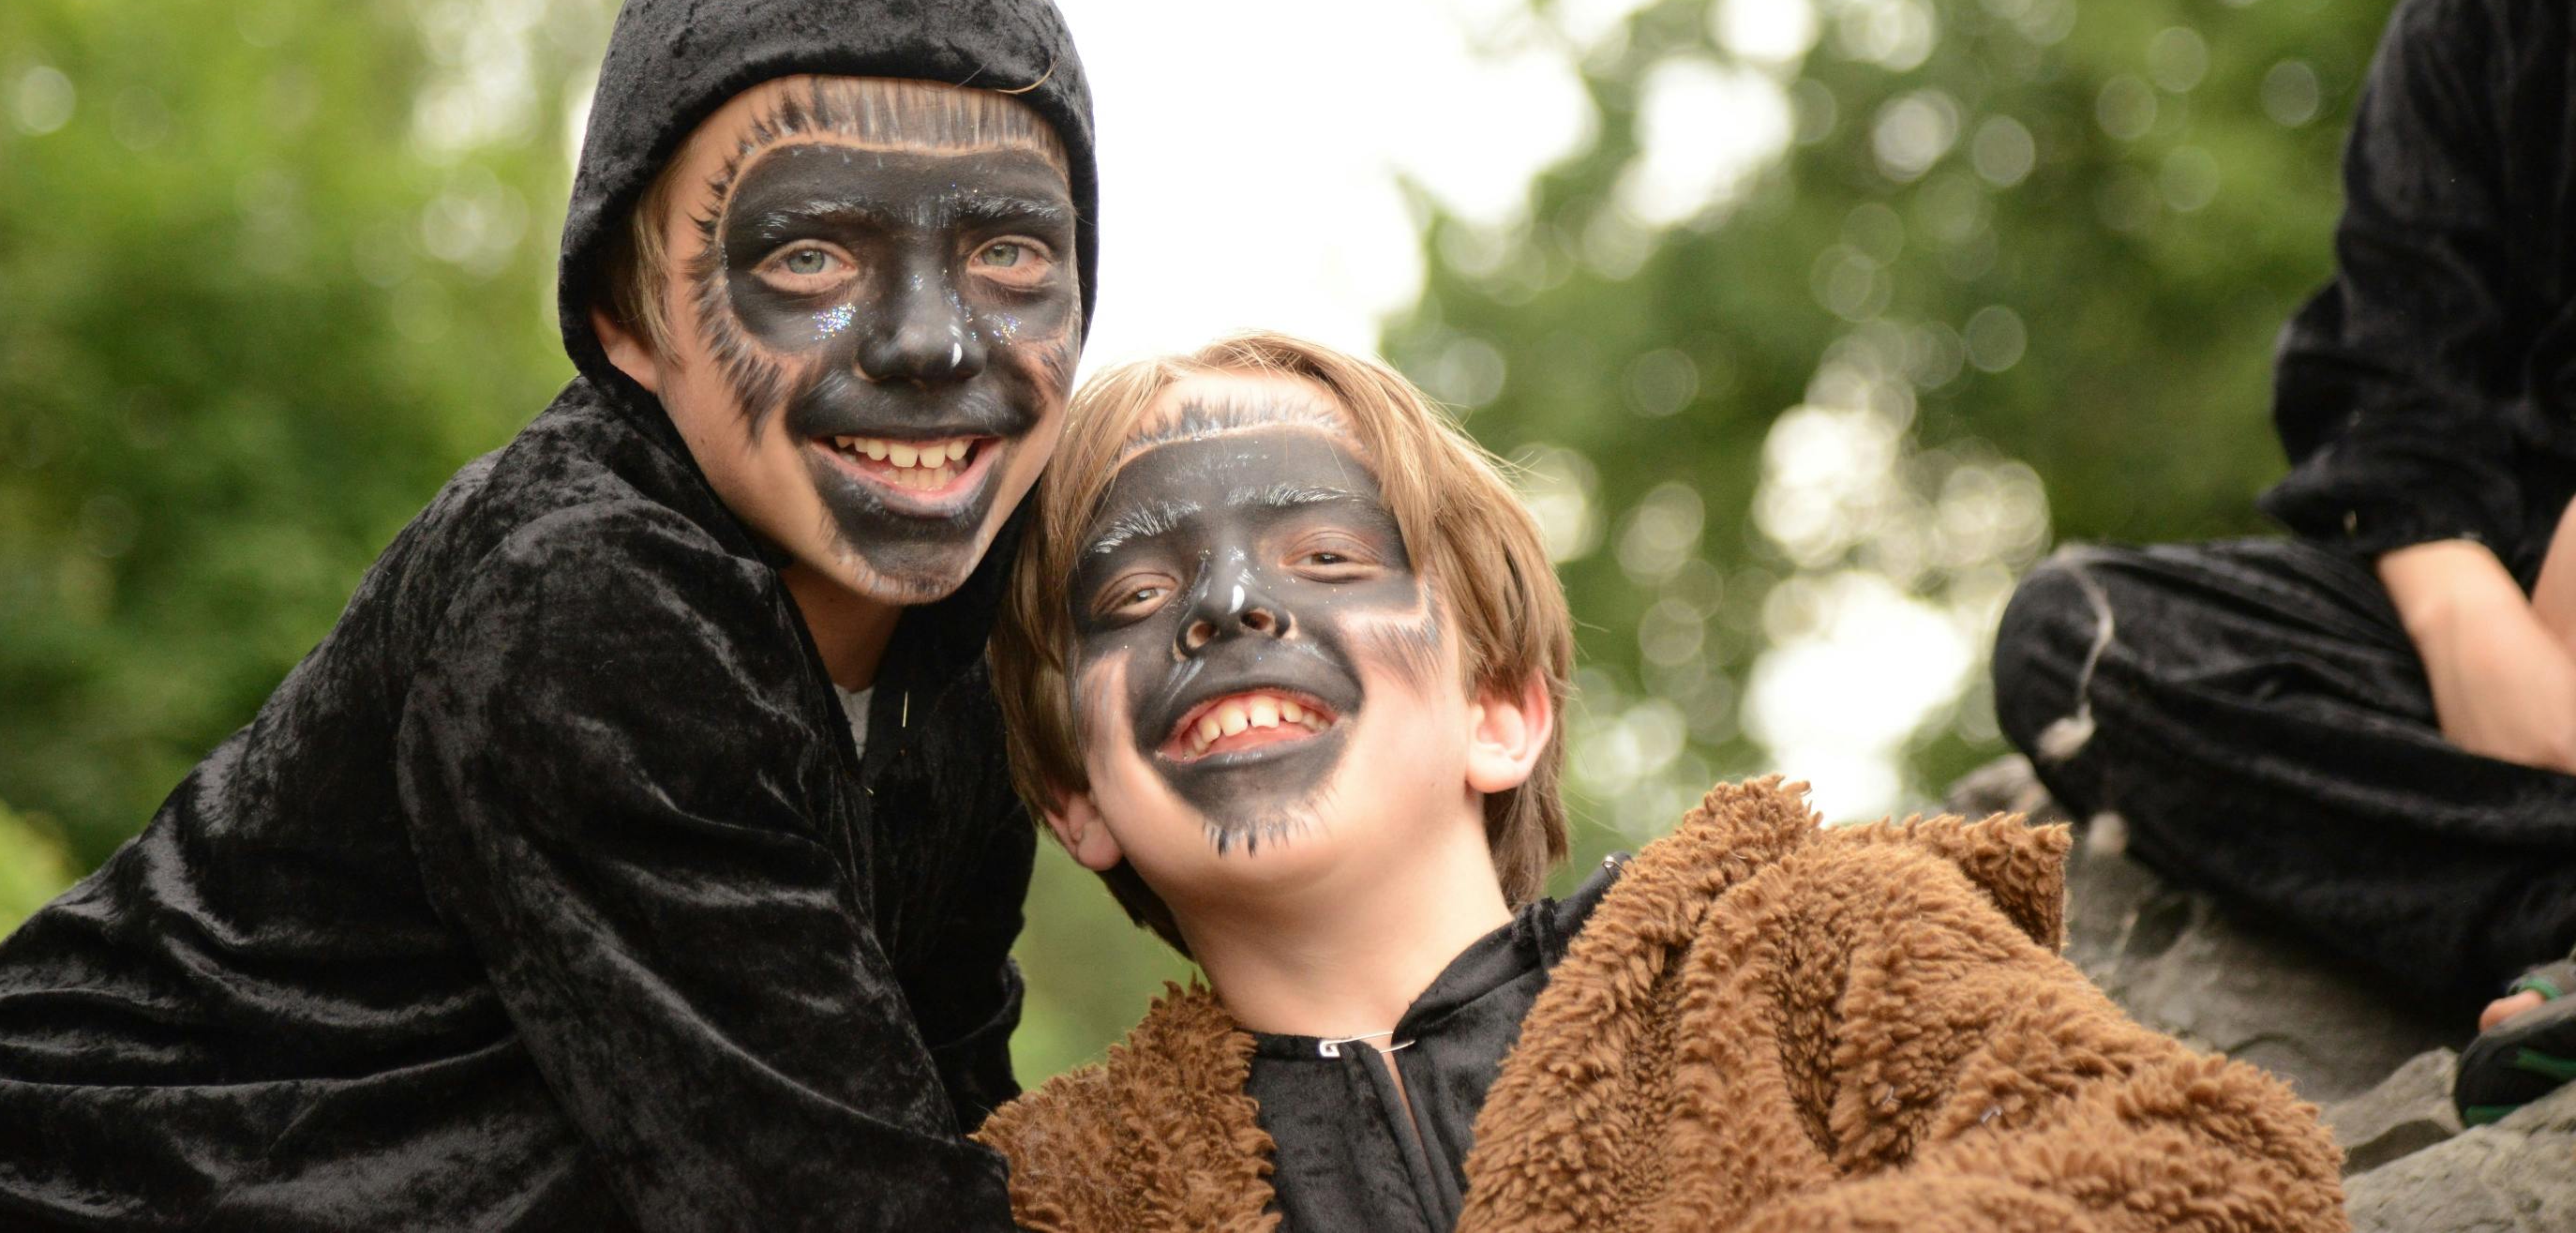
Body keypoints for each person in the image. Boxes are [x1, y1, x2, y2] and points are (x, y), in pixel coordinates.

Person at [0, 0, 1087, 1228]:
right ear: (628, 320)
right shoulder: (584, 593)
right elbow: (842, 1203)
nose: (925, 342)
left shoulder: (960, 658)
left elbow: (964, 1103)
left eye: (1009, 250)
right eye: (808, 254)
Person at [978, 334, 2346, 1233]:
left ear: (1502, 708)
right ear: (1072, 796)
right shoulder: (1061, 1191)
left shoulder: (1807, 949)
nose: (1222, 606)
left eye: (1327, 559)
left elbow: (2212, 1169)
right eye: (1138, 593)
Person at [1989, 0, 2576, 1127]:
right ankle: (2559, 901)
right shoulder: (2470, 35)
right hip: (2517, 671)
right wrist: (2479, 614)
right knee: (2079, 636)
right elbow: (2402, 414)